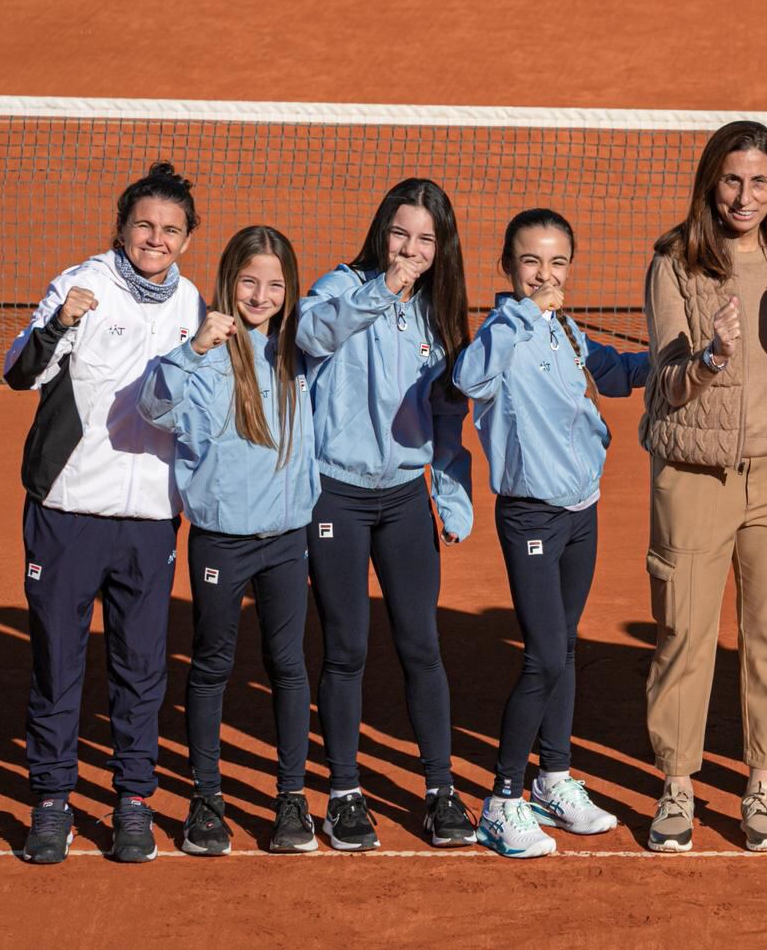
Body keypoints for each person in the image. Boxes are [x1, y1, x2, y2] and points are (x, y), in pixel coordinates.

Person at [639, 121, 767, 854]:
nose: (744, 196)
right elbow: (665, 385)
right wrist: (712, 357)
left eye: (759, 181)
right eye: (731, 180)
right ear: (709, 182)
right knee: (685, 633)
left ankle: (761, 785)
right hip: (694, 480)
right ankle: (678, 785)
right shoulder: (675, 265)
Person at [3, 161, 204, 865]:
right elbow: (18, 372)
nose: (156, 238)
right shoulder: (78, 284)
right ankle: (53, 802)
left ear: (186, 239)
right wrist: (59, 324)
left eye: (171, 230)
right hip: (68, 512)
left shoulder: (193, 307)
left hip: (151, 518)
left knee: (141, 668)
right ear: (122, 227)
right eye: (145, 225)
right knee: (58, 664)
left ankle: (133, 803)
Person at [455, 208, 650, 859]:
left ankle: (554, 778)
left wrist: (687, 355)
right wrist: (526, 313)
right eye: (531, 261)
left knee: (562, 646)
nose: (545, 273)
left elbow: (615, 373)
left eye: (557, 261)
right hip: (531, 518)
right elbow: (468, 379)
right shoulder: (501, 332)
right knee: (541, 654)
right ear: (508, 269)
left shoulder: (565, 330)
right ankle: (502, 800)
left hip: (580, 513)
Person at [297, 178, 476, 851]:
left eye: (426, 239)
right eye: (401, 234)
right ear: (382, 232)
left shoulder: (439, 312)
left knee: (420, 644)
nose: (411, 248)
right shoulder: (340, 287)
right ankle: (344, 793)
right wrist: (382, 291)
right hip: (335, 494)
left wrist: (450, 495)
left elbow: (448, 416)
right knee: (346, 647)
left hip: (404, 498)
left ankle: (440, 790)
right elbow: (310, 336)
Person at [139, 225, 321, 857]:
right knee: (213, 663)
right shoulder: (206, 353)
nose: (261, 294)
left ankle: (292, 797)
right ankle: (206, 798)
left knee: (289, 664)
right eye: (249, 281)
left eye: (275, 284)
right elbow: (154, 409)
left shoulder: (301, 354)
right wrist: (193, 350)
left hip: (287, 536)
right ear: (227, 282)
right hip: (222, 541)